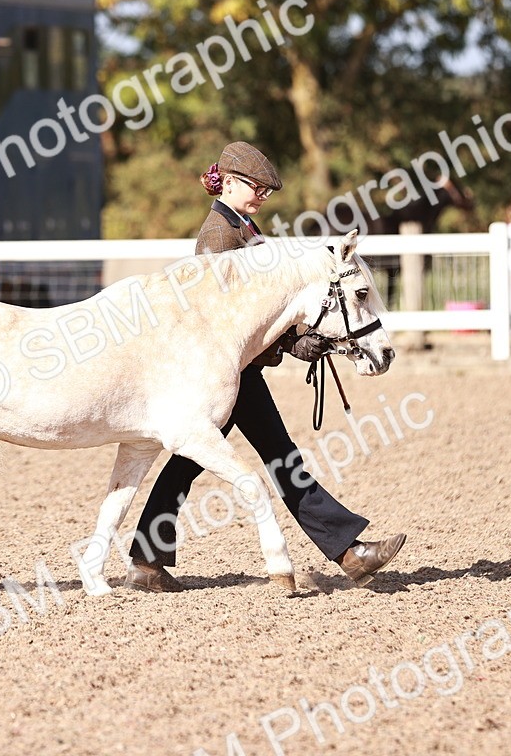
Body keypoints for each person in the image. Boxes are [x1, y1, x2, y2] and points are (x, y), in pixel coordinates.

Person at [124, 141, 407, 592]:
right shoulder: (218, 236)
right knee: (267, 457)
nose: (260, 196)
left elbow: (264, 308)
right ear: (230, 183)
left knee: (207, 460)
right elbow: (219, 318)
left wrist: (300, 339)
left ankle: (147, 559)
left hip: (240, 370)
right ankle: (350, 552)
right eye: (254, 187)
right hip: (227, 371)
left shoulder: (244, 228)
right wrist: (291, 349)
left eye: (265, 191)